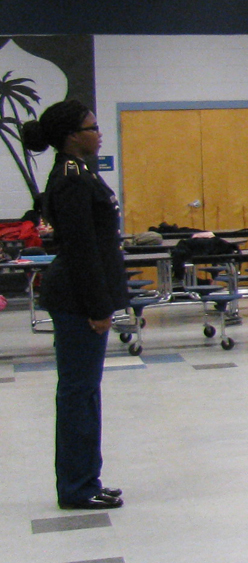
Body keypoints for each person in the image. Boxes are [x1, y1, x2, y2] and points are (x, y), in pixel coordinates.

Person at [26, 99, 126, 510]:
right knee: (77, 393)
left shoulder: (80, 173)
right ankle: (76, 486)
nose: (98, 133)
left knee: (85, 393)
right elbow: (82, 249)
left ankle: (88, 477)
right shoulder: (70, 179)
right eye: (92, 127)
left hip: (81, 294)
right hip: (77, 298)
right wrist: (99, 307)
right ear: (72, 136)